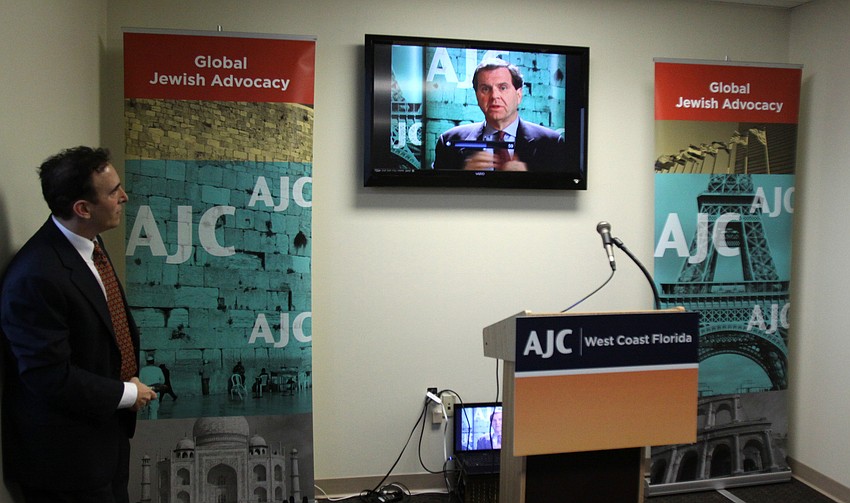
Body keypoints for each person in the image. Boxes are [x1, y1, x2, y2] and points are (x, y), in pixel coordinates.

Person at [0, 146, 158, 503]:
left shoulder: (88, 244)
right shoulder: (36, 275)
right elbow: (48, 377)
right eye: (113, 191)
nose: (124, 196)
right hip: (67, 464)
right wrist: (127, 393)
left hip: (105, 442)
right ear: (83, 209)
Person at [433, 58, 567, 172]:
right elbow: (437, 191)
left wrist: (528, 178)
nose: (494, 96)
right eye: (485, 89)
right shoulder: (448, 141)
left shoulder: (552, 143)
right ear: (477, 96)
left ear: (519, 94)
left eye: (503, 88)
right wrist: (464, 176)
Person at [139, 354, 166, 419]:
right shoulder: (158, 369)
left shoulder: (143, 370)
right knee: (154, 410)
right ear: (153, 362)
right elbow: (162, 380)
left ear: (147, 362)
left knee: (144, 410)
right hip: (155, 390)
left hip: (145, 390)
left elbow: (140, 381)